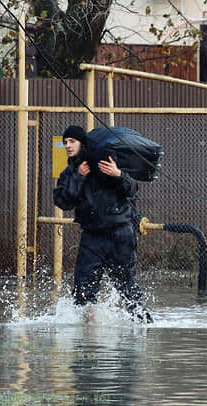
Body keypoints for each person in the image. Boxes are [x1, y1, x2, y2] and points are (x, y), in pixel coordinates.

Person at [53, 125, 153, 323]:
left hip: (120, 234)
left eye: (72, 141)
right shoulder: (69, 173)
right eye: (65, 142)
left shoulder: (106, 162)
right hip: (92, 236)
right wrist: (78, 177)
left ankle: (143, 325)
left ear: (82, 143)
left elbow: (132, 189)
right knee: (82, 291)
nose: (68, 146)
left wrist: (118, 175)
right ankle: (85, 337)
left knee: (127, 287)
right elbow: (63, 202)